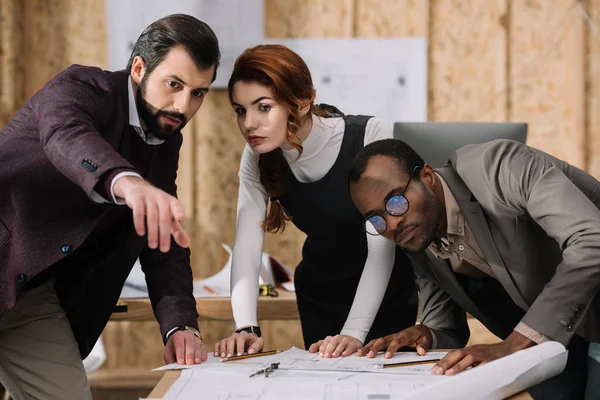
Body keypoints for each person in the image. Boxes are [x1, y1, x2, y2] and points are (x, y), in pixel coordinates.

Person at [0, 14, 220, 400]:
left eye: (198, 92)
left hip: (30, 298)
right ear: (139, 68)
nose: (184, 105)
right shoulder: (83, 87)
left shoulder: (165, 141)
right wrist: (126, 181)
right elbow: (65, 135)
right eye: (174, 84)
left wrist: (180, 325)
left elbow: (160, 237)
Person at [348, 138, 600, 399]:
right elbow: (448, 329)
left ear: (427, 176)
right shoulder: (416, 235)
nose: (391, 224)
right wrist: (424, 335)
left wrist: (513, 345)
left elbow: (592, 240)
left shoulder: (500, 166)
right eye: (376, 219)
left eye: (396, 202)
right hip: (557, 341)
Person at [213, 44, 417, 359]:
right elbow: (247, 245)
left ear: (304, 101)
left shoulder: (369, 135)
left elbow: (381, 248)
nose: (249, 123)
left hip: (386, 294)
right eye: (241, 110)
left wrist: (353, 333)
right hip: (320, 295)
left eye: (263, 107)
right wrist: (246, 327)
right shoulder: (257, 156)